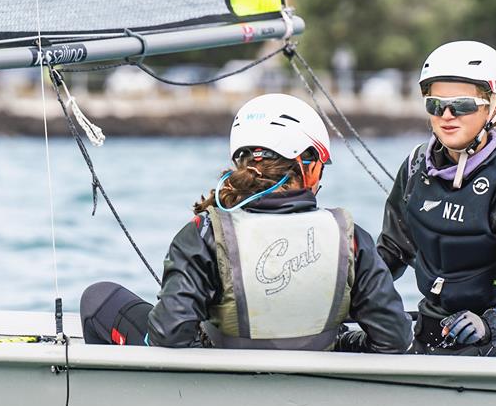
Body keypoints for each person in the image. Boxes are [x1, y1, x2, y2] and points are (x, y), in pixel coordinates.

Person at [81, 93, 412, 353]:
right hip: (316, 390)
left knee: (98, 298)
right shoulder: (351, 237)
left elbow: (169, 335)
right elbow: (394, 339)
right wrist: (342, 344)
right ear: (309, 167)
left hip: (217, 390)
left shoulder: (204, 232)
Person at [377, 40, 496, 357]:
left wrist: (492, 324)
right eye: (435, 105)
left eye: (462, 105)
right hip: (429, 339)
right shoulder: (414, 167)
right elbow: (391, 253)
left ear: (495, 104)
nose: (446, 116)